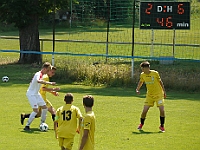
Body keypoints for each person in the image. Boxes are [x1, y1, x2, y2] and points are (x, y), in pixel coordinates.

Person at [136, 61, 166, 132]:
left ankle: (162, 126)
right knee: (144, 111)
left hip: (158, 95)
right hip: (149, 95)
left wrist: (164, 91)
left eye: (142, 68)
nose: (142, 70)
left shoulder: (155, 73)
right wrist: (137, 89)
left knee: (161, 110)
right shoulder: (142, 75)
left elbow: (160, 82)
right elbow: (141, 82)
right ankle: (141, 124)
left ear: (147, 68)